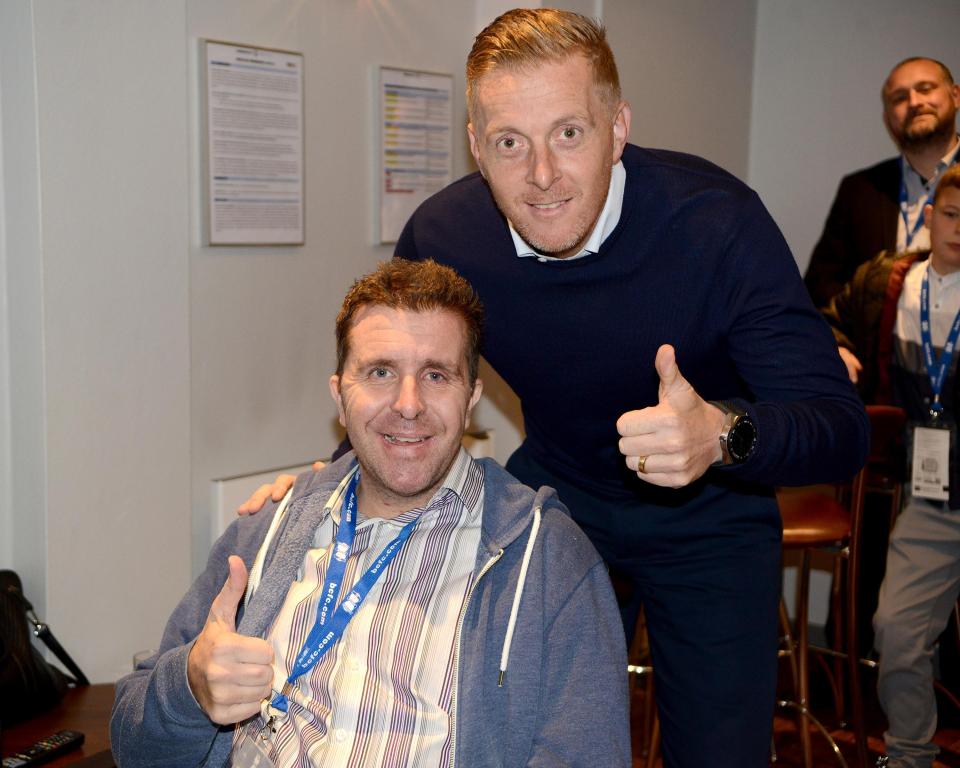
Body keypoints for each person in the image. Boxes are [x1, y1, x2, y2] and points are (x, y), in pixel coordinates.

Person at [245, 10, 869, 766]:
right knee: (513, 732)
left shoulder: (717, 223)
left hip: (712, 515)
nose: (542, 175)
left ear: (618, 126)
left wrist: (722, 434)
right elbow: (402, 381)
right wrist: (333, 487)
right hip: (559, 500)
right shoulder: (448, 236)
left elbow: (840, 428)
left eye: (569, 134)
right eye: (511, 143)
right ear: (477, 145)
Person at [111, 259, 630, 768]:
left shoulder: (547, 562)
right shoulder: (266, 529)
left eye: (436, 375)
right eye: (380, 371)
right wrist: (189, 689)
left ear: (470, 397)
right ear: (340, 397)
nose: (408, 404)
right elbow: (132, 745)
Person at [823, 165, 960, 768]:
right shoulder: (890, 281)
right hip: (931, 495)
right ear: (932, 215)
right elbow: (821, 319)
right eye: (953, 214)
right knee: (897, 632)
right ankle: (909, 755)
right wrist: (838, 349)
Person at [806, 57, 960, 308]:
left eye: (925, 89)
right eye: (899, 98)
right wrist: (840, 343)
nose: (914, 102)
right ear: (888, 118)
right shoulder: (858, 191)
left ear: (955, 96)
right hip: (872, 347)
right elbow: (820, 287)